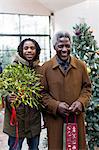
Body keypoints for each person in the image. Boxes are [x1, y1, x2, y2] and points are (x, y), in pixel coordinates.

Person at [41, 31, 92, 150]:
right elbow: (42, 93)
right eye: (60, 46)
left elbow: (87, 88)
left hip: (76, 118)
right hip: (56, 120)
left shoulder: (81, 66)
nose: (64, 49)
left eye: (67, 46)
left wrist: (80, 102)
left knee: (77, 146)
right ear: (54, 47)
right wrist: (56, 105)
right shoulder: (45, 68)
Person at [3, 38, 42, 150]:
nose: (29, 50)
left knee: (34, 148)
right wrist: (7, 97)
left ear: (36, 51)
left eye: (32, 48)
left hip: (34, 121)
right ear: (21, 50)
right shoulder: (12, 69)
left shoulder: (40, 70)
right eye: (26, 48)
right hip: (16, 122)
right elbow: (4, 90)